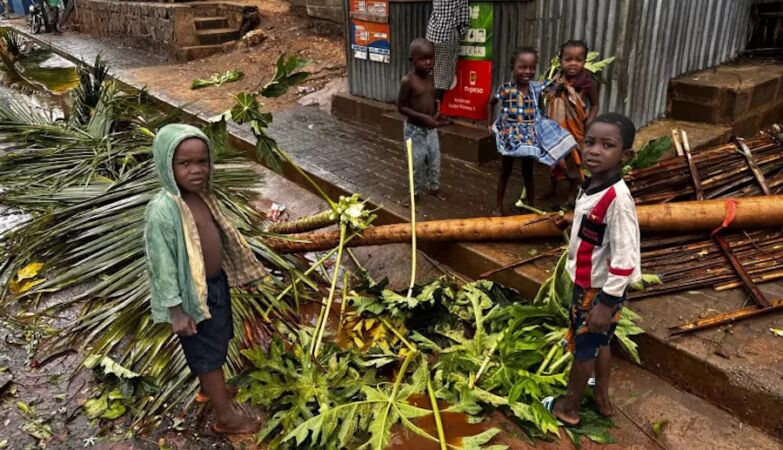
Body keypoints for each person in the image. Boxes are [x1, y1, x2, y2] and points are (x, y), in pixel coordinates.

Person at [144, 124, 265, 435]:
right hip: (190, 298)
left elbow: (221, 237)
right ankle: (226, 417)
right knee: (207, 353)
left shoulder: (201, 196)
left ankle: (209, 391)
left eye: (202, 162)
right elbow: (162, 265)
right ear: (166, 165)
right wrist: (176, 310)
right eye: (185, 164)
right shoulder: (163, 210)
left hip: (215, 286)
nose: (196, 170)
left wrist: (241, 273)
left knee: (219, 340)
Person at [545, 113, 641, 426]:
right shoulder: (592, 185)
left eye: (607, 145)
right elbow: (596, 228)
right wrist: (573, 220)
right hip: (591, 286)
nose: (594, 150)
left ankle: (568, 407)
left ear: (625, 155)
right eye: (590, 142)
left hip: (598, 292)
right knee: (599, 342)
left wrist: (607, 302)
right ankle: (601, 397)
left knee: (584, 349)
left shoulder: (618, 201)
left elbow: (626, 258)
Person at [487, 47, 576, 216]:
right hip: (510, 136)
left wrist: (564, 67)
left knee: (528, 171)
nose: (527, 71)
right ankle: (498, 206)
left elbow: (549, 93)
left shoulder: (535, 88)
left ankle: (531, 204)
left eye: (532, 67)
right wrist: (489, 123)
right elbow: (491, 103)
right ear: (512, 67)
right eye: (522, 67)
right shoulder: (506, 88)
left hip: (529, 138)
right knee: (505, 170)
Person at [544, 40, 601, 202]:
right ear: (560, 60)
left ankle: (571, 191)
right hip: (556, 129)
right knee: (554, 159)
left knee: (573, 160)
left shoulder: (587, 83)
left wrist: (589, 122)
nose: (573, 64)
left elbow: (595, 105)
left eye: (578, 60)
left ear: (584, 61)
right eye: (568, 59)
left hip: (576, 128)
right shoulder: (555, 80)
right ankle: (552, 188)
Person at [397, 38, 449, 205]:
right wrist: (423, 117)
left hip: (430, 130)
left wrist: (436, 114)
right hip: (415, 131)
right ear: (412, 60)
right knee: (416, 164)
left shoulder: (431, 77)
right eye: (423, 59)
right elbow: (401, 107)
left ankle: (434, 188)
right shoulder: (408, 81)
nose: (428, 62)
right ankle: (414, 193)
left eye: (431, 58)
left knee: (434, 161)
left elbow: (432, 99)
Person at [425, 0, 469, 102]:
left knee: (431, 73)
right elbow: (463, 21)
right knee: (442, 79)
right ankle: (435, 113)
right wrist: (460, 33)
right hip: (447, 37)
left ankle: (428, 109)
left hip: (431, 34)